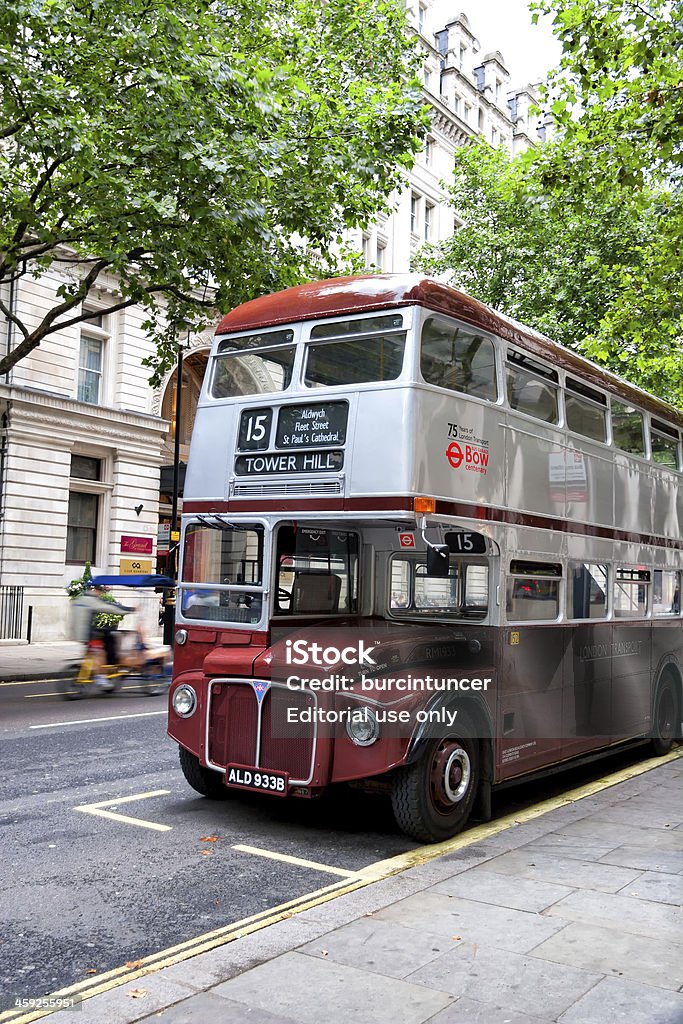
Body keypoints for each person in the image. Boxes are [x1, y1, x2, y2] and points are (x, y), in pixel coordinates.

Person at [71, 585, 134, 689]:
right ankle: (100, 677)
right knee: (101, 653)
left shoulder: (79, 599)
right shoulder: (91, 600)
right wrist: (129, 609)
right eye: (100, 592)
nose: (100, 594)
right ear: (95, 590)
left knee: (91, 653)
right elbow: (108, 608)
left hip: (78, 634)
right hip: (88, 634)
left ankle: (87, 669)